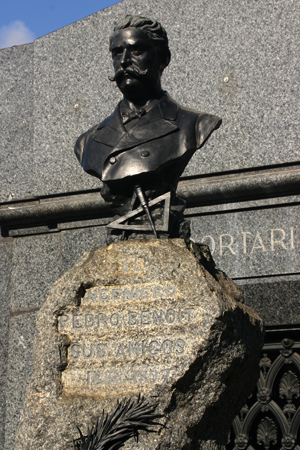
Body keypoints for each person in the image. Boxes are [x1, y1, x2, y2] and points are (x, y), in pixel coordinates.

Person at [74, 15, 221, 239]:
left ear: (163, 58)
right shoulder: (87, 142)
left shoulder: (194, 125)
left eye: (136, 51)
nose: (123, 61)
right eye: (116, 53)